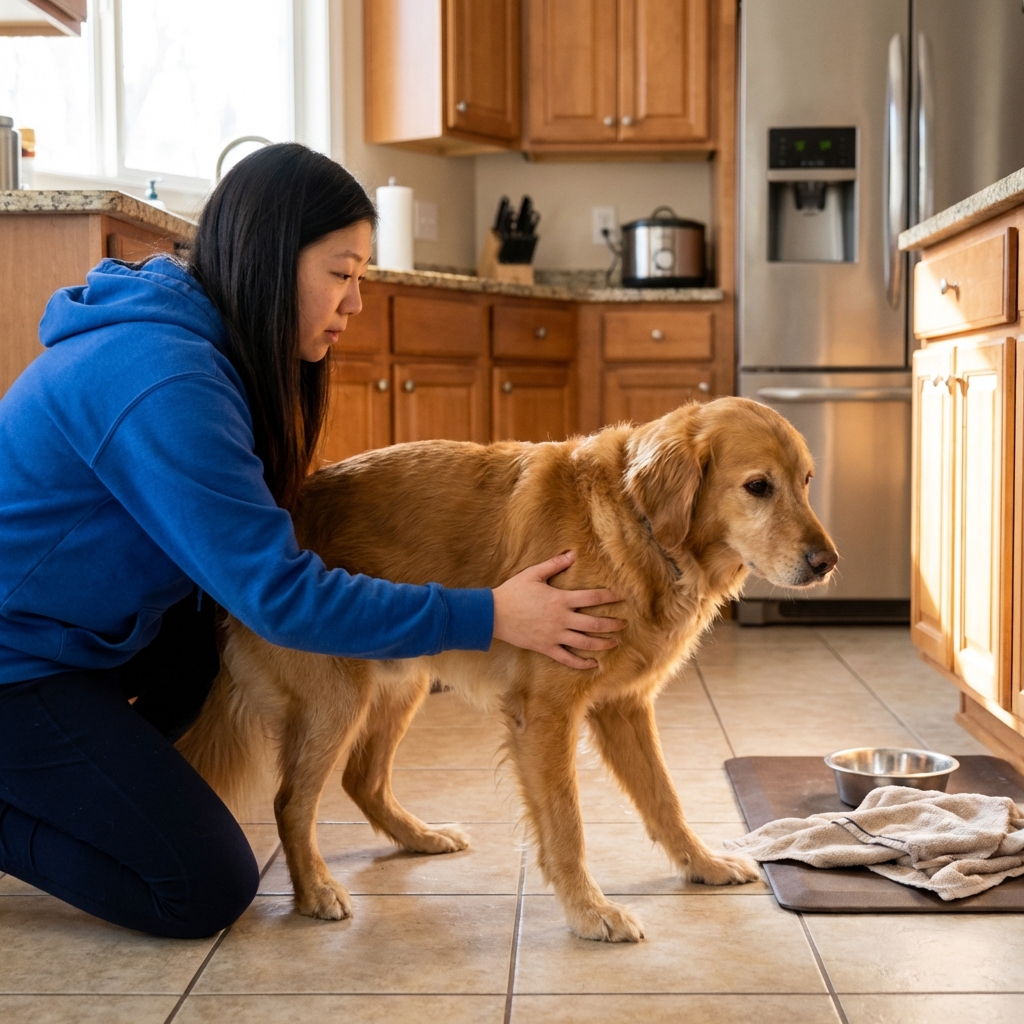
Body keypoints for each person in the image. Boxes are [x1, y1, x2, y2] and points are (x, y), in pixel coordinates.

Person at [0, 144, 623, 939]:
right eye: (342, 272)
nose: (357, 301)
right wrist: (488, 614)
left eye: (362, 275)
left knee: (202, 658)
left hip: (86, 644)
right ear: (267, 258)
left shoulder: (210, 353)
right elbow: (281, 597)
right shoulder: (164, 376)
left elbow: (252, 561)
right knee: (203, 887)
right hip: (16, 665)